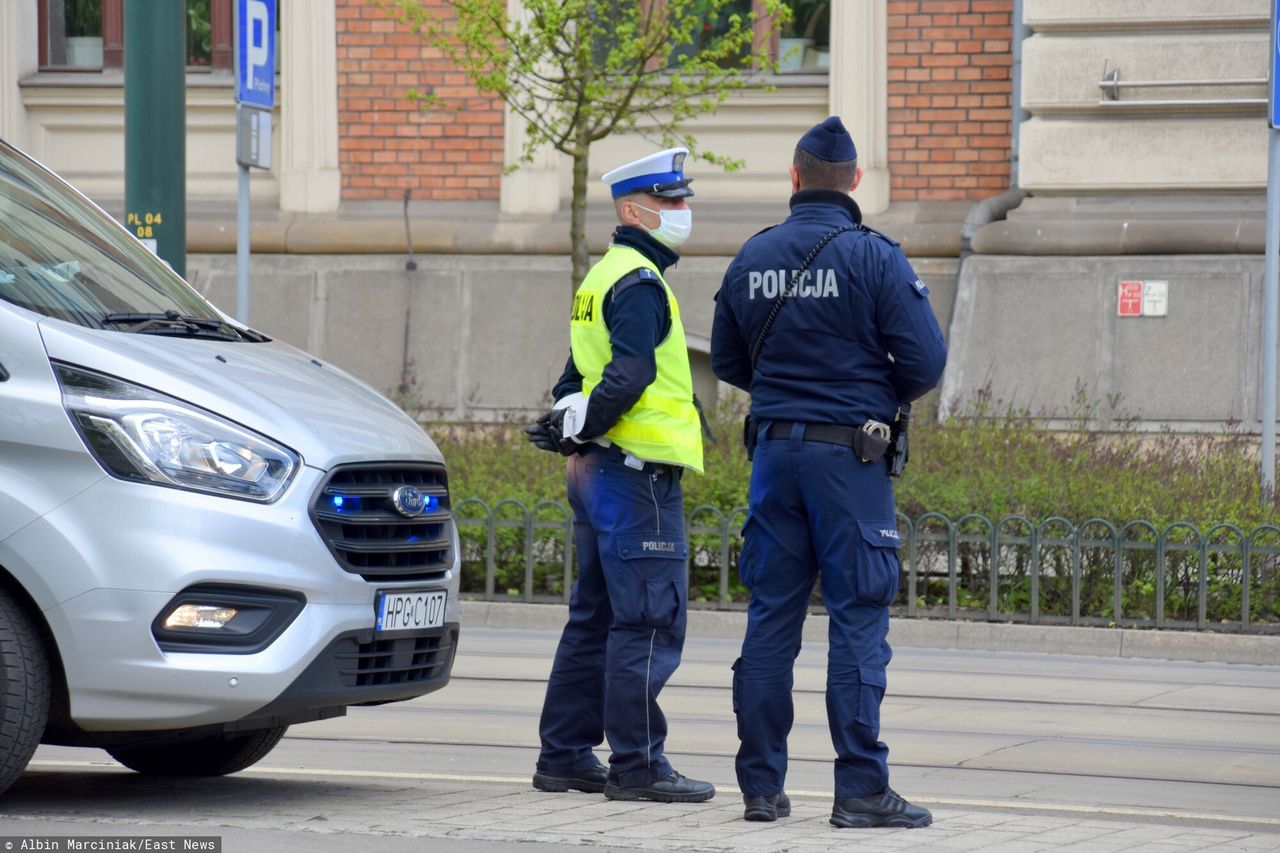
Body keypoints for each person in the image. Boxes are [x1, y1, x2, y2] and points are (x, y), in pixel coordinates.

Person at [710, 116, 947, 828]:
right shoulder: (874, 257)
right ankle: (861, 789)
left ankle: (760, 786)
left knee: (772, 616)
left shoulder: (752, 257)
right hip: (851, 458)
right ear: (855, 180)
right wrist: (869, 395)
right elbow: (927, 364)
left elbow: (727, 361)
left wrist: (785, 391)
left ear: (793, 176)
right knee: (857, 616)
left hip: (774, 455)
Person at [523, 147, 714, 804]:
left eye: (684, 199)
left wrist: (569, 419)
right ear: (635, 210)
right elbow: (628, 375)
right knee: (646, 621)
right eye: (671, 201)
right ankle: (638, 765)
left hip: (595, 473)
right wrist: (582, 422)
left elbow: (576, 371)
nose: (682, 211)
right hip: (637, 478)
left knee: (594, 617)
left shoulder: (601, 278)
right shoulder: (638, 283)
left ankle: (565, 754)